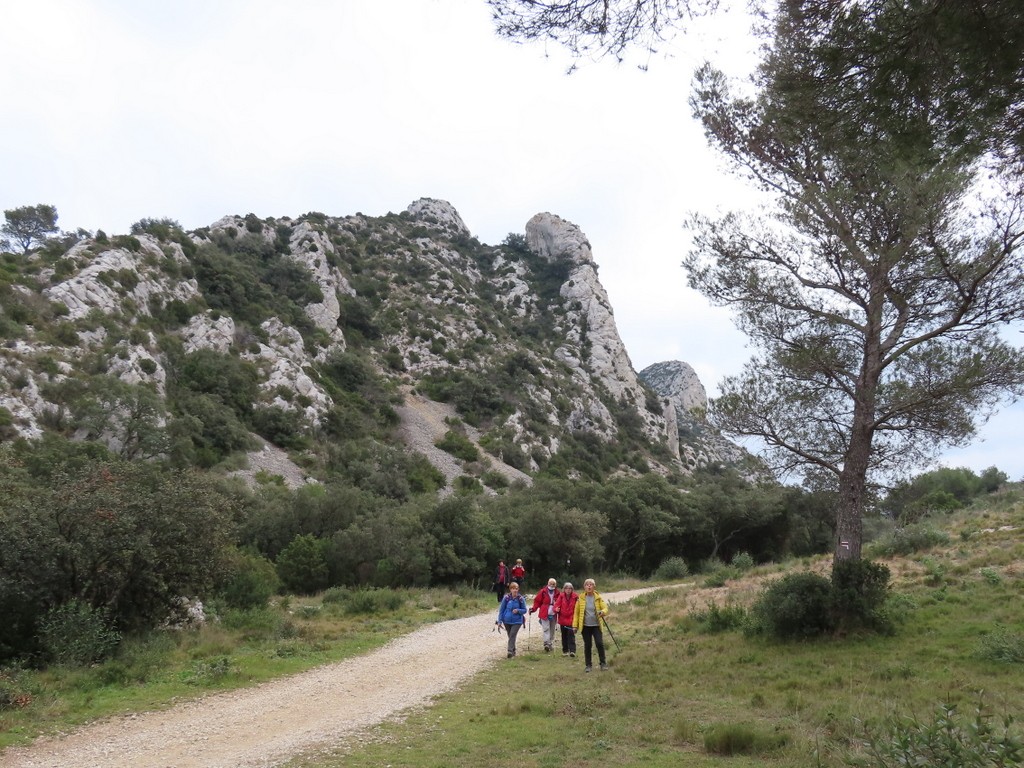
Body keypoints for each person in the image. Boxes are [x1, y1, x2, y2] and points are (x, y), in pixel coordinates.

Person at [572, 578, 608, 672]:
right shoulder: (580, 599)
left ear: (594, 587)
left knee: (599, 643)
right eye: (587, 584)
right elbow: (576, 613)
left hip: (596, 625)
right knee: (588, 645)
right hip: (585, 626)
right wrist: (575, 626)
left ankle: (603, 663)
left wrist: (602, 612)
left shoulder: (598, 597)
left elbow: (605, 608)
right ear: (584, 587)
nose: (589, 586)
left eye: (591, 584)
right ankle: (588, 665)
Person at [495, 582, 528, 658]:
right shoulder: (506, 598)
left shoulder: (521, 599)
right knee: (510, 636)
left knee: (512, 635)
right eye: (513, 588)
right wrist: (499, 621)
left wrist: (518, 610)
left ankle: (509, 651)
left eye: (516, 588)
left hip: (517, 621)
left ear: (518, 589)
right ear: (510, 589)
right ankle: (513, 650)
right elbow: (501, 610)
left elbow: (524, 610)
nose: (515, 590)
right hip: (506, 621)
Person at [529, 577, 559, 652]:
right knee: (546, 628)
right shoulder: (543, 591)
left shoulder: (557, 592)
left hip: (553, 613)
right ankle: (546, 643)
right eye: (550, 583)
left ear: (555, 585)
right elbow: (537, 601)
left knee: (552, 629)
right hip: (544, 612)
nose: (552, 585)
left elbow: (560, 602)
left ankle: (550, 643)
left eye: (553, 584)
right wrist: (533, 609)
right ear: (548, 583)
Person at [554, 581, 579, 657]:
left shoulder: (575, 596)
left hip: (572, 619)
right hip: (562, 619)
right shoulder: (561, 596)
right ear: (564, 589)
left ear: (572, 589)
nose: (568, 590)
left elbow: (579, 606)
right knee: (564, 635)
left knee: (571, 635)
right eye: (566, 588)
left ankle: (572, 651)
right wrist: (556, 609)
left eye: (570, 588)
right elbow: (556, 606)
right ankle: (565, 651)